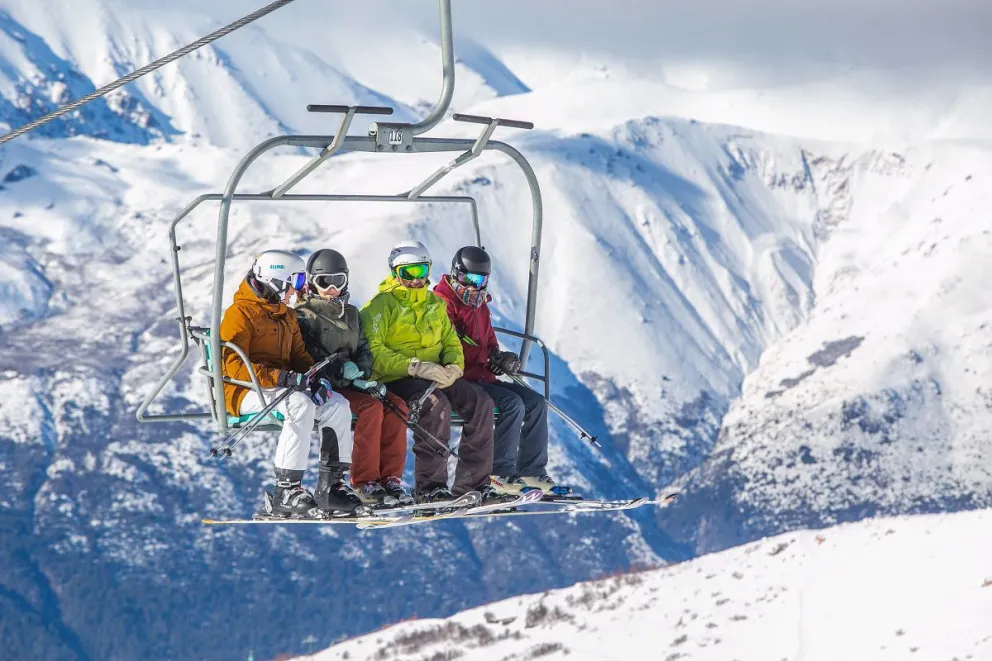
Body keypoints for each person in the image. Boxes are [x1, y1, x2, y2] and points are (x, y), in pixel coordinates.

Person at [219, 249, 358, 517]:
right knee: (299, 405)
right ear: (276, 281)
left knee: (338, 404)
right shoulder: (239, 314)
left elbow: (299, 357)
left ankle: (332, 487)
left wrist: (315, 378)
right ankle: (286, 490)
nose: (297, 291)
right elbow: (234, 366)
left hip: (283, 388)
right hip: (244, 391)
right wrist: (281, 377)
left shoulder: (286, 314)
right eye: (294, 283)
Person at [360, 240, 496, 502]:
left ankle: (474, 485)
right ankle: (431, 488)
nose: (415, 280)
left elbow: (450, 341)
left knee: (481, 403)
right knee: (435, 406)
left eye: (420, 272)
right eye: (407, 273)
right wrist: (416, 366)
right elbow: (373, 353)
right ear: (394, 273)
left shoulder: (434, 303)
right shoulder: (380, 305)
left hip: (436, 376)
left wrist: (454, 367)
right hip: (398, 378)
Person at [433, 245, 558, 495]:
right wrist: (489, 357)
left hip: (481, 377)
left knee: (535, 402)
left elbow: (488, 342)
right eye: (469, 279)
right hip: (457, 378)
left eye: (481, 280)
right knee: (512, 404)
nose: (474, 286)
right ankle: (500, 473)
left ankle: (533, 472)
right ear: (456, 274)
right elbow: (452, 347)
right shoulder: (442, 304)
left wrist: (500, 357)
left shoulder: (480, 305)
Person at [294, 248, 414, 507]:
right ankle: (365, 481)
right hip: (326, 385)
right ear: (312, 283)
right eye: (324, 282)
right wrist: (341, 372)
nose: (332, 288)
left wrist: (363, 373)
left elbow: (363, 349)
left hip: (353, 383)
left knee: (398, 406)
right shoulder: (304, 316)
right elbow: (308, 357)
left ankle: (391, 479)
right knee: (371, 407)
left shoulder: (351, 314)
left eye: (338, 281)